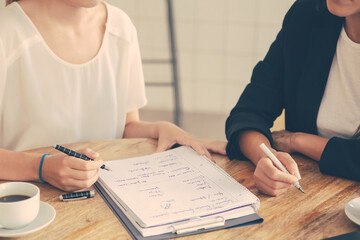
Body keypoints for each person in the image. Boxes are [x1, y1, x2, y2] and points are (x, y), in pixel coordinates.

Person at [0, 0, 226, 191]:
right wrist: (41, 168)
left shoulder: (120, 27)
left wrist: (160, 128)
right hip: (25, 201)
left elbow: (125, 127)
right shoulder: (7, 31)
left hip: (102, 198)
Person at [226, 0, 360, 196]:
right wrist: (266, 160)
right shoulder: (308, 14)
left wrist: (297, 141)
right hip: (305, 193)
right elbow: (248, 113)